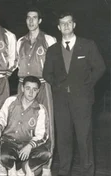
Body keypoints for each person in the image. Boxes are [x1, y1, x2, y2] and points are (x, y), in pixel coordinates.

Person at [43, 12, 106, 176]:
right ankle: (64, 172)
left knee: (84, 139)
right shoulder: (52, 50)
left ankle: (87, 172)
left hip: (82, 101)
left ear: (74, 25)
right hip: (61, 101)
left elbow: (100, 67)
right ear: (58, 27)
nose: (66, 26)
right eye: (62, 23)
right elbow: (46, 74)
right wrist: (58, 85)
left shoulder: (88, 45)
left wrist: (87, 84)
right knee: (64, 140)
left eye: (69, 22)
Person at [16, 7, 56, 176]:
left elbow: (56, 67)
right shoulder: (20, 41)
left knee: (47, 125)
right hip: (23, 86)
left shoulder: (49, 39)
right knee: (22, 124)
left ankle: (46, 165)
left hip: (42, 85)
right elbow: (15, 64)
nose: (31, 21)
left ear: (40, 20)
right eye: (28, 18)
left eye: (34, 18)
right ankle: (24, 164)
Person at [0, 76, 50, 176]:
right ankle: (11, 167)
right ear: (22, 88)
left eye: (34, 89)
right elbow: (2, 118)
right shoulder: (11, 101)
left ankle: (25, 168)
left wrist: (29, 146)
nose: (31, 92)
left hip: (27, 145)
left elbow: (42, 135)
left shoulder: (40, 109)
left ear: (38, 91)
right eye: (28, 88)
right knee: (3, 157)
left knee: (46, 154)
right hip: (9, 142)